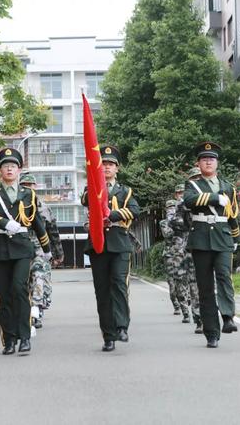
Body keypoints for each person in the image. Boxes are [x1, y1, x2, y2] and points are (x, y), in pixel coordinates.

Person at [0, 148, 51, 356]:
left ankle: (25, 337)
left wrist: (46, 249)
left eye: (13, 166)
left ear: (19, 170)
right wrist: (3, 223)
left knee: (19, 289)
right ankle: (9, 340)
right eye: (5, 166)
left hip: (22, 248)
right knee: (4, 294)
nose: (9, 169)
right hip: (0, 248)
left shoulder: (28, 194)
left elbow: (37, 223)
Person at [81, 145, 140, 352]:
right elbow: (86, 201)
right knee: (102, 291)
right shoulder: (92, 188)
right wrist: (96, 186)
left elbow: (134, 210)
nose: (106, 167)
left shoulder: (126, 191)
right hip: (98, 243)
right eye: (103, 164)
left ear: (117, 168)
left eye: (110, 164)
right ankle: (108, 334)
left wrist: (113, 215)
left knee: (119, 284)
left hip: (119, 241)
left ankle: (122, 326)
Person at [183, 141, 240, 348]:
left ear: (217, 163)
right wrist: (216, 199)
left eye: (212, 159)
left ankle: (227, 317)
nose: (208, 161)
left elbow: (233, 215)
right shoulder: (192, 185)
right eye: (204, 159)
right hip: (200, 239)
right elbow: (189, 201)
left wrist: (236, 238)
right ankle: (211, 332)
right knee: (205, 287)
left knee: (225, 276)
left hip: (223, 237)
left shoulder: (229, 187)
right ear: (198, 164)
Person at [19, 172, 64, 329]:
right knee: (23, 281)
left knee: (39, 277)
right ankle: (27, 310)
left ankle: (36, 310)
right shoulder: (15, 206)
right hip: (20, 249)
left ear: (35, 187)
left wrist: (58, 254)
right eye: (23, 186)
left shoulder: (44, 208)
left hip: (40, 249)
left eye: (30, 186)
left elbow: (53, 232)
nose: (27, 189)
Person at [169, 182, 202, 334]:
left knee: (198, 283)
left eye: (183, 192)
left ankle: (200, 318)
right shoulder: (178, 208)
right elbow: (171, 225)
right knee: (179, 281)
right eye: (179, 193)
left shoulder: (201, 202)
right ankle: (185, 311)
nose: (181, 194)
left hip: (200, 246)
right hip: (179, 250)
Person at [159, 199, 190, 321]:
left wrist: (180, 220)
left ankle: (186, 311)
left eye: (174, 207)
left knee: (184, 282)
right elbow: (168, 234)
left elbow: (188, 231)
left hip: (183, 254)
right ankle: (177, 306)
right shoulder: (164, 222)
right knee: (173, 285)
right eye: (169, 207)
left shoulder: (183, 219)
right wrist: (172, 222)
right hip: (170, 256)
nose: (171, 209)